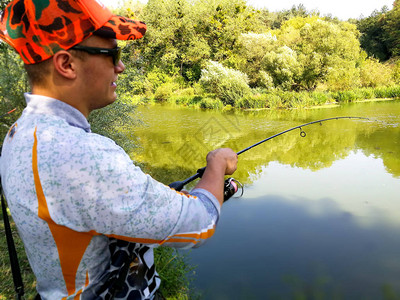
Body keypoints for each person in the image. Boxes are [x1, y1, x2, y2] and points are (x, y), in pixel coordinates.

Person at [0, 0, 238, 299]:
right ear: (66, 64)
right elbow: (199, 224)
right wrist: (216, 165)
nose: (120, 67)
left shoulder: (19, 133)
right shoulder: (81, 155)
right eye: (112, 54)